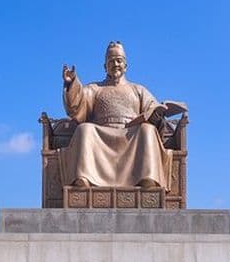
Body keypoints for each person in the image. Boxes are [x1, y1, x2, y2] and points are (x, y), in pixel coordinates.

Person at [60, 41, 180, 190]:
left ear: (126, 65)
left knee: (147, 130)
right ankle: (84, 178)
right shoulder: (95, 88)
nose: (115, 64)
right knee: (84, 129)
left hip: (131, 135)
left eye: (119, 60)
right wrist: (71, 83)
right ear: (105, 66)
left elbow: (152, 108)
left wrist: (157, 113)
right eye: (111, 61)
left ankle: (147, 178)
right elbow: (76, 105)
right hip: (102, 134)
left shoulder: (138, 89)